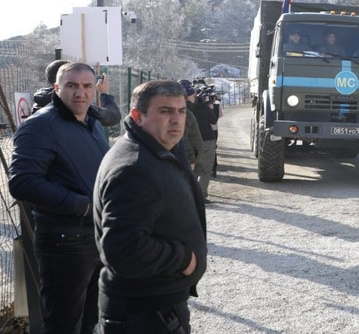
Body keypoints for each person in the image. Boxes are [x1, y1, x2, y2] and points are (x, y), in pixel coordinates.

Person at [94, 80, 207, 332]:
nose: (177, 119)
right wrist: (185, 260)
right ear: (137, 115)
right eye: (165, 111)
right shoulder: (134, 167)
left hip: (156, 305)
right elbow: (122, 250)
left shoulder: (156, 149)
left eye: (181, 111)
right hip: (144, 313)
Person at [8, 62, 110, 333]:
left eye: (87, 86)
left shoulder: (92, 124)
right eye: (72, 85)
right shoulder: (39, 126)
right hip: (64, 243)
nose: (80, 92)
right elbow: (22, 182)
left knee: (91, 320)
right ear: (57, 87)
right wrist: (84, 205)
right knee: (63, 325)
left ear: (95, 90)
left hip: (98, 237)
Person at [32, 59, 122, 126]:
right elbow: (113, 117)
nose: (79, 94)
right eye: (71, 85)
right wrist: (104, 94)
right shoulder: (73, 107)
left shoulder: (41, 104)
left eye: (87, 85)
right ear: (57, 84)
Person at [182, 80, 220, 204]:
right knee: (206, 169)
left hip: (190, 141)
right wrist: (214, 104)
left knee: (191, 168)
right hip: (207, 139)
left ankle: (189, 195)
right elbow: (213, 120)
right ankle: (201, 196)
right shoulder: (202, 105)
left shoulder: (180, 108)